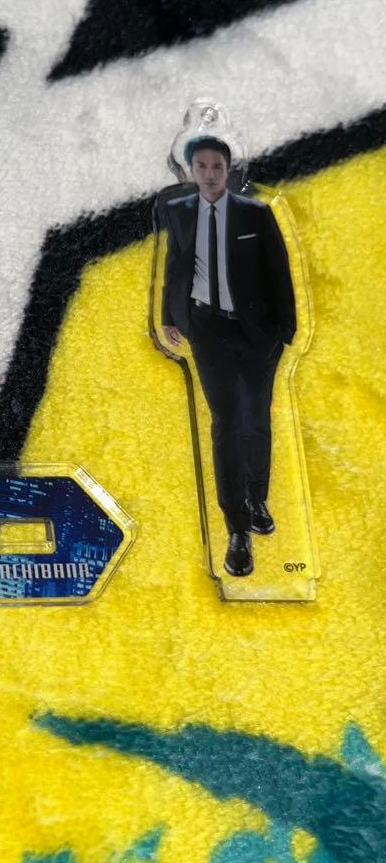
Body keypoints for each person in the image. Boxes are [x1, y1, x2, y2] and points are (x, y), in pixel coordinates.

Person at [159, 135, 296, 577]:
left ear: (228, 169)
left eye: (217, 166)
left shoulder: (256, 213)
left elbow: (278, 270)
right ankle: (236, 528)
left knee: (256, 417)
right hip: (207, 331)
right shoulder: (179, 212)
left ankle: (257, 498)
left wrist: (285, 330)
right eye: (201, 166)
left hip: (256, 333)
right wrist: (169, 316)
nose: (210, 174)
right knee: (226, 425)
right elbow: (175, 263)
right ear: (191, 170)